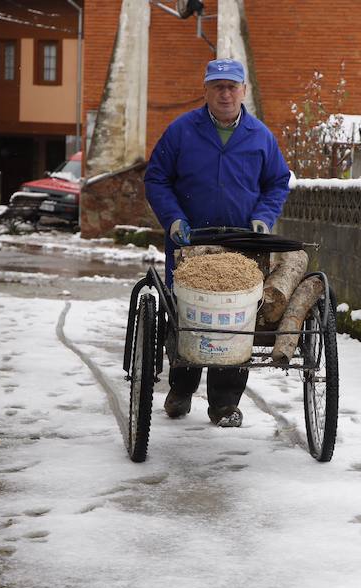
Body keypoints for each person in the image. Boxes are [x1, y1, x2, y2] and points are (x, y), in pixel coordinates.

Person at [144, 58, 291, 428]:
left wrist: (263, 216)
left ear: (243, 91)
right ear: (206, 90)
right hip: (191, 240)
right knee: (187, 314)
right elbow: (156, 178)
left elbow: (276, 182)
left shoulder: (260, 136)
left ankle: (224, 403)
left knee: (236, 319)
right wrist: (174, 218)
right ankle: (181, 389)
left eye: (232, 87)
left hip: (241, 243)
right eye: (217, 86)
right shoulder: (181, 131)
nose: (225, 93)